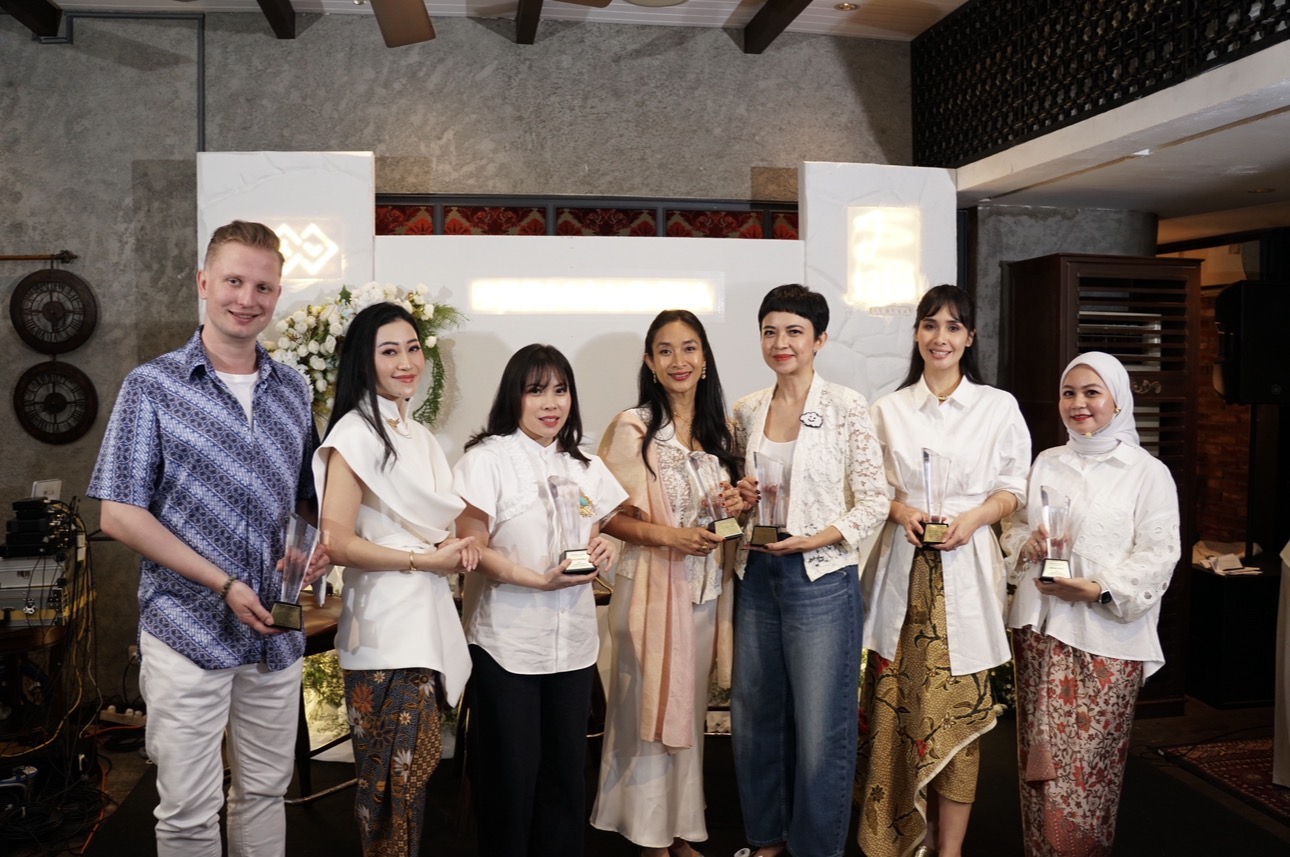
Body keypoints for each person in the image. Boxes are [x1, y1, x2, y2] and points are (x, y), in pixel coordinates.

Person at [88, 220, 328, 856]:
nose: (247, 299)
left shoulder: (294, 388)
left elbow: (305, 498)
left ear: (278, 294)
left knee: (265, 795)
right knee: (190, 814)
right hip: (186, 631)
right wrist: (222, 583)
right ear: (203, 282)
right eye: (233, 281)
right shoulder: (152, 386)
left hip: (274, 635)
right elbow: (119, 514)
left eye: (263, 287)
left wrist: (309, 547)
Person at [857, 284, 1030, 857]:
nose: (941, 338)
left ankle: (949, 849)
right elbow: (869, 489)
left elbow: (1014, 487)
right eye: (930, 325)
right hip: (903, 580)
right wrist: (900, 510)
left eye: (953, 327)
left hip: (966, 575)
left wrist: (975, 517)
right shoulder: (888, 410)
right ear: (916, 334)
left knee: (958, 718)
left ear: (970, 336)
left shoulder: (997, 407)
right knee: (897, 711)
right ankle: (898, 839)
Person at [312, 302, 478, 856]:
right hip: (382, 627)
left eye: (412, 349)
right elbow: (336, 541)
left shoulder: (420, 436)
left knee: (413, 775)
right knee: (387, 781)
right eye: (389, 352)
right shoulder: (354, 434)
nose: (406, 363)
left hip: (422, 617)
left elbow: (428, 530)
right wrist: (421, 561)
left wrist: (448, 550)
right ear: (365, 361)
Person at [730, 284, 889, 857]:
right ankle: (766, 840)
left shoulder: (846, 406)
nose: (781, 342)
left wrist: (816, 538)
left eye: (794, 331)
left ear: (819, 340)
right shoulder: (746, 410)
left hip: (821, 577)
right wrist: (740, 499)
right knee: (755, 717)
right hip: (756, 575)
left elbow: (875, 501)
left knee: (822, 727)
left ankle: (817, 847)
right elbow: (734, 501)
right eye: (770, 331)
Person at [453, 344, 627, 857]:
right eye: (536, 391)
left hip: (573, 644)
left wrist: (606, 546)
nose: (551, 403)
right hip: (507, 643)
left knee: (566, 777)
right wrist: (532, 580)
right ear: (515, 396)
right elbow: (471, 547)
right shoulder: (486, 460)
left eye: (560, 390)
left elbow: (598, 530)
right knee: (508, 778)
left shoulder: (585, 464)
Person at [1004, 352, 1180, 857]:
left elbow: (1160, 553)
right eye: (1069, 393)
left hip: (1105, 639)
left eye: (1091, 393)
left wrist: (1098, 587)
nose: (1078, 403)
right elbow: (1014, 528)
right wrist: (1026, 545)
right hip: (1040, 631)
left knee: (1086, 772)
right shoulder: (1047, 461)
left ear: (1118, 401)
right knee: (1036, 765)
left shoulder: (1147, 472)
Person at [590, 310, 744, 857]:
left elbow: (724, 522)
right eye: (665, 350)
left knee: (686, 712)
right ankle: (649, 836)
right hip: (649, 595)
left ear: (704, 359)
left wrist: (738, 505)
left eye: (689, 348)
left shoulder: (720, 432)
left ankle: (678, 831)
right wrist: (669, 537)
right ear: (650, 363)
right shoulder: (634, 428)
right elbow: (605, 514)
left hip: (703, 597)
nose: (679, 360)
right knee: (645, 712)